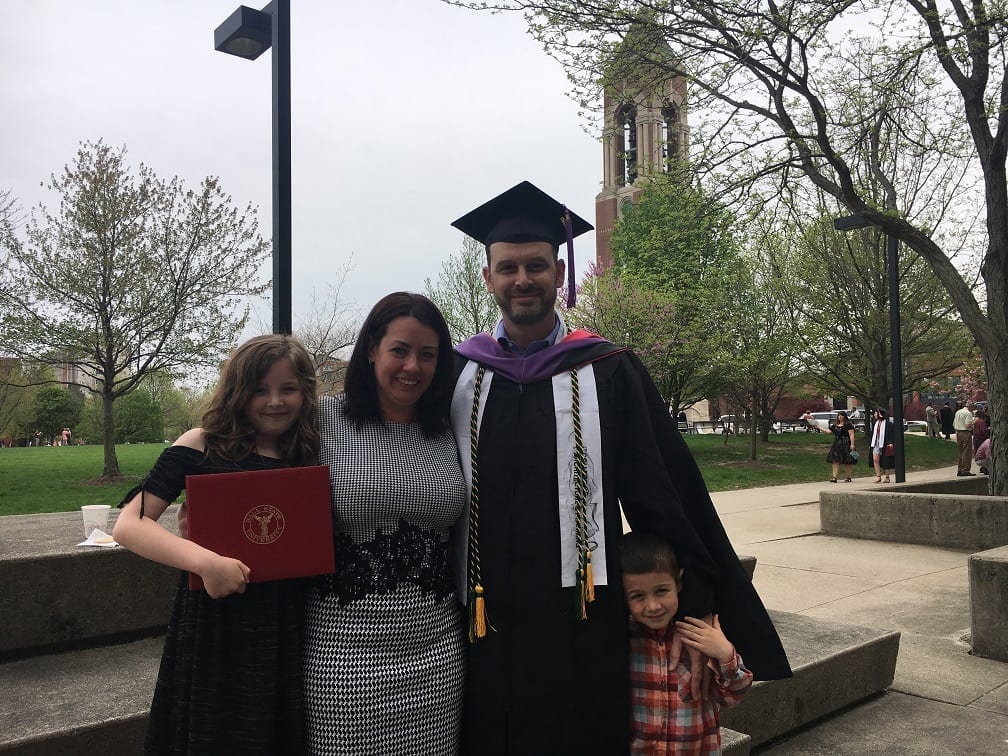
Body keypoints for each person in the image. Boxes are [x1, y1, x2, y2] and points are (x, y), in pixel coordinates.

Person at [448, 180, 790, 754]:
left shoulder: (608, 369)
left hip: (581, 618)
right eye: (508, 268)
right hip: (484, 616)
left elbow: (668, 491)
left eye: (536, 265)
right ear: (488, 279)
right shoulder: (458, 376)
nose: (522, 280)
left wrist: (698, 603)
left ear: (560, 273)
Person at [112, 334, 319, 754]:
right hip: (217, 624)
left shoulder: (307, 453)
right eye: (260, 390)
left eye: (288, 389)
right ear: (237, 391)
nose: (274, 401)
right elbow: (129, 525)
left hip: (288, 622)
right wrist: (205, 562)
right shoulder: (201, 444)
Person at [303, 292, 466, 755]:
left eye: (427, 354)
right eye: (400, 350)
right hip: (342, 656)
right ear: (372, 349)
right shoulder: (322, 421)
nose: (412, 366)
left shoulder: (447, 428)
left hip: (436, 654)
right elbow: (236, 436)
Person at [621, 531, 752, 755]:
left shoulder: (700, 638)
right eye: (638, 596)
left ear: (679, 582)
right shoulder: (625, 640)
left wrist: (724, 653)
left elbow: (732, 696)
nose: (652, 606)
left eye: (661, 591)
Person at [825, 410, 858, 482]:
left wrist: (852, 444)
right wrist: (818, 427)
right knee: (835, 460)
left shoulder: (848, 425)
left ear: (844, 416)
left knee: (847, 461)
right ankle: (834, 477)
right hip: (837, 444)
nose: (840, 417)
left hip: (846, 443)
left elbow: (851, 435)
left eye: (841, 415)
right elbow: (828, 432)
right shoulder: (835, 425)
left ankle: (848, 477)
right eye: (839, 415)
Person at [869, 408, 896, 483]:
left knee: (885, 460)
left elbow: (891, 434)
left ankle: (887, 477)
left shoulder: (888, 424)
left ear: (879, 414)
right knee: (875, 460)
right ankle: (878, 476)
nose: (874, 414)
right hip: (875, 443)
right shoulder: (875, 423)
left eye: (875, 413)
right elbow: (872, 434)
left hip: (884, 444)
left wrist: (891, 443)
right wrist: (870, 444)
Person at [954, 400, 976, 476]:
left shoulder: (958, 412)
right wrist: (974, 422)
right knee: (967, 452)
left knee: (960, 452)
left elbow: (954, 423)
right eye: (973, 406)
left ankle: (960, 469)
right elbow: (967, 425)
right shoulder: (968, 413)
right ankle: (965, 470)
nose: (973, 408)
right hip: (966, 432)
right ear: (970, 406)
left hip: (958, 432)